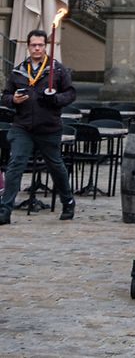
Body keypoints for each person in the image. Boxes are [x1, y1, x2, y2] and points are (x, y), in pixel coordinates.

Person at [0, 28, 77, 224]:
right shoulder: (19, 70)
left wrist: (56, 98)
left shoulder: (57, 69)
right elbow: (6, 95)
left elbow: (70, 94)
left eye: (40, 45)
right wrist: (13, 100)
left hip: (48, 126)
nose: (37, 48)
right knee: (15, 164)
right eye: (33, 45)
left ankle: (68, 201)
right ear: (28, 47)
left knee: (55, 165)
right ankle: (5, 209)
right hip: (22, 126)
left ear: (45, 46)